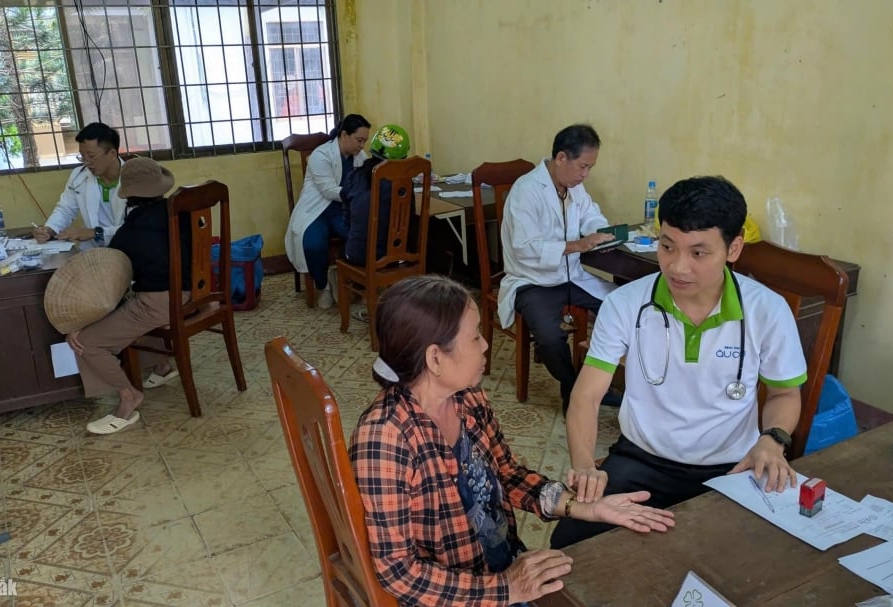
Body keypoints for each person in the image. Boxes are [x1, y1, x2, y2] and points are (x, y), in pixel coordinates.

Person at [349, 275, 675, 607]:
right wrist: (506, 589)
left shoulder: (466, 397)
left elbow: (508, 474)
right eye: (475, 336)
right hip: (459, 595)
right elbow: (399, 572)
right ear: (435, 359)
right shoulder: (386, 440)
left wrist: (582, 506)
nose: (485, 345)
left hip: (500, 568)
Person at [551, 176, 807, 548]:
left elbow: (785, 394)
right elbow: (587, 395)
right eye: (667, 246)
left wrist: (773, 440)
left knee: (752, 558)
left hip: (732, 467)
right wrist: (585, 466)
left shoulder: (766, 310)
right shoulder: (625, 305)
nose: (678, 267)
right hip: (641, 460)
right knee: (570, 546)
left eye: (698, 253)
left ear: (733, 248)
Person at [65, 157, 191, 435]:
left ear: (128, 195)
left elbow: (109, 286)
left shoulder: (131, 231)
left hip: (160, 303)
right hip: (195, 293)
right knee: (129, 307)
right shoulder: (181, 210)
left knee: (87, 342)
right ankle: (161, 364)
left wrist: (77, 323)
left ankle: (128, 396)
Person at [498, 124, 618, 413]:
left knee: (622, 307)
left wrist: (600, 233)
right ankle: (578, 390)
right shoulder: (526, 191)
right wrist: (577, 245)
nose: (586, 174)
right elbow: (524, 248)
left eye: (590, 167)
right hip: (532, 281)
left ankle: (588, 386)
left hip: (570, 275)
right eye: (583, 166)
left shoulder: (574, 187)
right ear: (561, 158)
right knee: (551, 339)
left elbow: (590, 215)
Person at [284, 114, 371, 309]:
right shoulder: (320, 155)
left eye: (364, 141)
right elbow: (329, 190)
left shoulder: (360, 157)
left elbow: (366, 182)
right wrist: (359, 193)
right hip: (317, 211)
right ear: (344, 135)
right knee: (313, 244)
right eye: (359, 140)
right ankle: (322, 285)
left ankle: (348, 280)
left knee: (360, 237)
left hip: (343, 211)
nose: (362, 145)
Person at [33, 122, 127, 247]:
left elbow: (137, 227)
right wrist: (49, 229)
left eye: (91, 156)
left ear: (112, 154)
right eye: (82, 157)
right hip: (94, 250)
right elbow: (65, 210)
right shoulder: (79, 176)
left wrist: (94, 232)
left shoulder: (136, 179)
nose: (87, 162)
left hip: (127, 248)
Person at [340, 124, 412, 266]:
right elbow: (409, 221)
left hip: (356, 254)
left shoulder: (353, 176)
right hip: (392, 256)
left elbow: (347, 220)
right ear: (402, 157)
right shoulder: (402, 182)